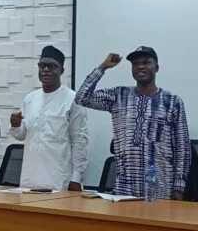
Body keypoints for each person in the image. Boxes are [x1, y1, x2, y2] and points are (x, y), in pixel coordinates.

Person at [75, 46, 191, 200]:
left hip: (159, 189)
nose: (140, 66)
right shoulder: (118, 96)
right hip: (124, 189)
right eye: (136, 64)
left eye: (146, 62)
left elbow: (182, 149)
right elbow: (81, 98)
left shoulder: (172, 102)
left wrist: (179, 188)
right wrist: (102, 67)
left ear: (157, 68)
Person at [9, 46, 88, 191]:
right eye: (42, 65)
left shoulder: (72, 100)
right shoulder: (30, 99)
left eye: (51, 66)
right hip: (29, 176)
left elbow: (79, 141)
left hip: (58, 178)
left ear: (62, 71)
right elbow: (21, 135)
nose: (46, 70)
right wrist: (15, 125)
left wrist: (76, 178)